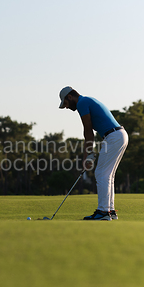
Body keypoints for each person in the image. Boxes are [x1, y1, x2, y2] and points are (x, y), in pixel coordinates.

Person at [59, 86, 128, 221]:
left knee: (101, 173)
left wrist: (88, 155)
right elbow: (89, 132)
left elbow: (88, 130)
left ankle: (103, 212)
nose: (66, 107)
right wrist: (89, 155)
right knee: (108, 175)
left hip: (113, 136)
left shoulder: (82, 103)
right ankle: (110, 210)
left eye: (66, 104)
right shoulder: (87, 100)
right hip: (120, 135)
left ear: (69, 97)